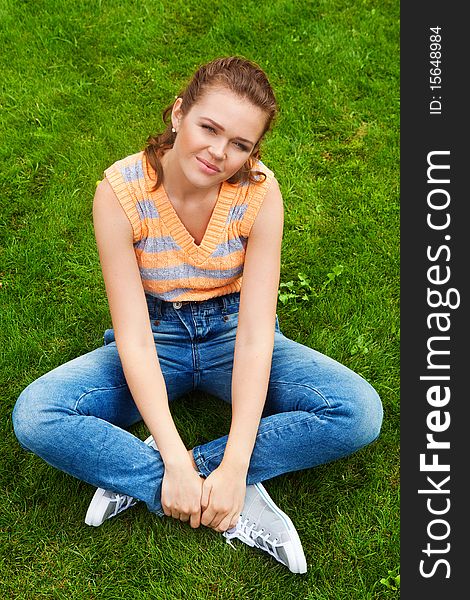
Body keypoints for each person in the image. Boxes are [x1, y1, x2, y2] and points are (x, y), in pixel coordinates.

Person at [12, 56, 383, 575]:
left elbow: (257, 335)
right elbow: (133, 337)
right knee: (36, 415)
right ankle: (166, 478)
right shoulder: (120, 191)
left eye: (240, 144)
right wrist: (172, 456)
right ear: (178, 113)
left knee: (358, 412)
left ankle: (190, 481)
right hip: (155, 336)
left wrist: (232, 465)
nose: (218, 153)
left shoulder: (259, 193)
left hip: (232, 335)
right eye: (209, 127)